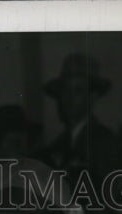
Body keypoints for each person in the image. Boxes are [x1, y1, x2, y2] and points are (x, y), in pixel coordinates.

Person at [39, 53, 117, 186]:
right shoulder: (57, 144)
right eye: (65, 90)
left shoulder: (105, 142)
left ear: (92, 97)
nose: (69, 98)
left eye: (78, 91)